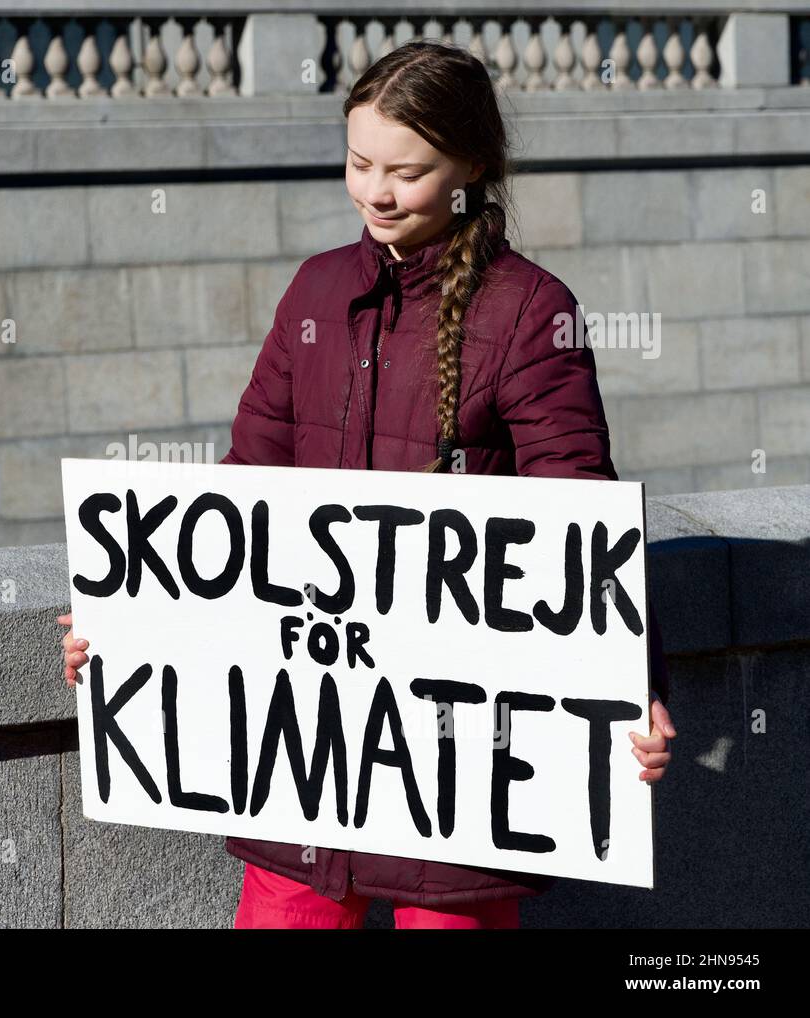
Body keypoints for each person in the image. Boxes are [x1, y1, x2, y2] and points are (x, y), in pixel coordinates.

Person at [58, 39, 677, 930]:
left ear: (471, 165)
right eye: (358, 163)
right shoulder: (314, 293)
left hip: (456, 761)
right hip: (307, 757)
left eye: (407, 172)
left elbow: (577, 519)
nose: (375, 193)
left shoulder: (530, 311)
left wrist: (631, 688)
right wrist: (127, 617)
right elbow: (239, 501)